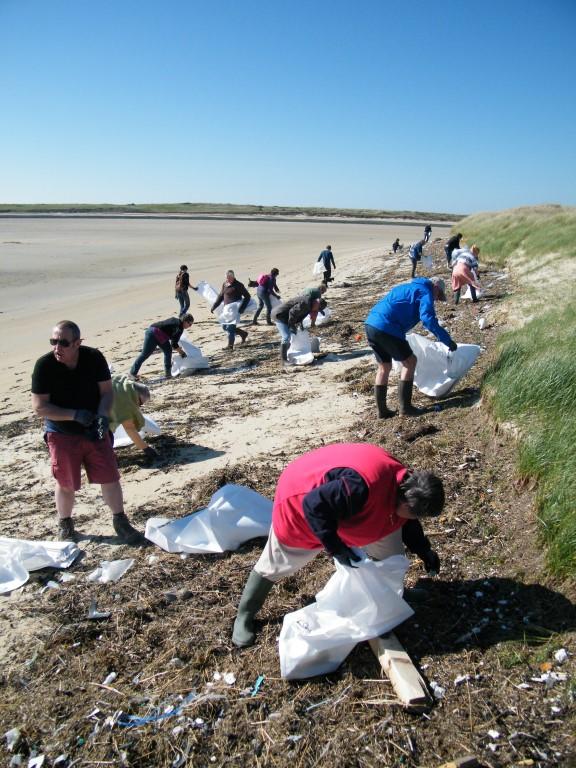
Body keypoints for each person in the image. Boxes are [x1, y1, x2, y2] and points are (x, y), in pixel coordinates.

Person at [232, 442, 443, 647]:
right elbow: (313, 506)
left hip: (353, 504)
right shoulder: (361, 486)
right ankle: (245, 615)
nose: (416, 518)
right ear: (405, 500)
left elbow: (408, 521)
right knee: (279, 560)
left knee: (391, 555)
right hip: (301, 497)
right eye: (415, 513)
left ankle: (392, 595)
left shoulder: (406, 487)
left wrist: (424, 550)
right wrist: (336, 548)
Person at [31, 320, 143, 544]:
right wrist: (74, 415)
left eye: (63, 342)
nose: (57, 347)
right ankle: (66, 524)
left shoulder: (93, 358)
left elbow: (107, 392)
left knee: (110, 476)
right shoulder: (44, 366)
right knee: (66, 482)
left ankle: (120, 521)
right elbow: (40, 407)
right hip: (61, 433)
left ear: (77, 343)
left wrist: (102, 416)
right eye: (54, 341)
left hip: (94, 428)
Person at [365, 277, 457, 417]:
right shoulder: (425, 292)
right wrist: (447, 340)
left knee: (384, 367)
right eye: (438, 296)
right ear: (436, 287)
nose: (436, 299)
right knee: (410, 362)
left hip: (371, 325)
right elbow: (427, 319)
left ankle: (382, 411)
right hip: (387, 327)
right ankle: (406, 408)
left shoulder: (406, 287)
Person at [271, 284, 327, 364]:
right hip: (279, 315)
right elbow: (292, 312)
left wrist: (300, 325)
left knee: (292, 335)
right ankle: (283, 360)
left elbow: (300, 315)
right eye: (318, 309)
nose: (316, 311)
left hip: (285, 316)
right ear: (317, 304)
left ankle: (286, 353)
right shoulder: (306, 303)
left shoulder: (310, 305)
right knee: (286, 336)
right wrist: (292, 325)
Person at [109, 374, 159, 461]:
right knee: (106, 439)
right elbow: (129, 428)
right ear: (137, 395)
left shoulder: (122, 381)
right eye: (140, 403)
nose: (138, 406)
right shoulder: (125, 400)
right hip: (90, 417)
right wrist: (146, 449)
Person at [130, 314, 194, 379]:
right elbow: (174, 344)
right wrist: (182, 352)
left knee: (146, 354)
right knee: (167, 351)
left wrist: (179, 349)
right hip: (156, 334)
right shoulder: (179, 328)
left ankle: (132, 373)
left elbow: (173, 340)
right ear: (185, 321)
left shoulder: (175, 320)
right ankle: (168, 374)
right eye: (189, 324)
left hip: (151, 331)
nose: (190, 326)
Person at [211, 270, 251, 350]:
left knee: (230, 328)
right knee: (225, 326)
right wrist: (214, 306)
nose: (227, 279)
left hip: (235, 310)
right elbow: (221, 296)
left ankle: (230, 346)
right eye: (226, 278)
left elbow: (247, 296)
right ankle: (243, 333)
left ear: (233, 276)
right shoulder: (225, 284)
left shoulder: (238, 285)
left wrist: (242, 308)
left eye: (229, 277)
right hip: (227, 310)